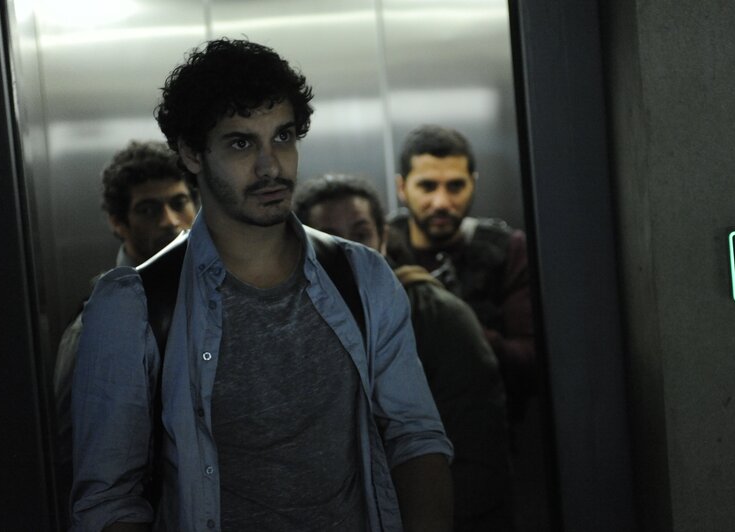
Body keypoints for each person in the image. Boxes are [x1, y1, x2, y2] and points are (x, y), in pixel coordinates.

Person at [70, 38, 453, 532]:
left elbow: (415, 437)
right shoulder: (132, 306)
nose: (271, 166)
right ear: (191, 153)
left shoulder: (362, 276)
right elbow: (109, 500)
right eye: (241, 143)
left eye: (283, 137)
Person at [295, 173, 515, 531]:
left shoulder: (438, 316)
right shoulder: (294, 322)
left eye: (360, 234)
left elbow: (476, 452)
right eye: (329, 240)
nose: (349, 252)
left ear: (382, 237)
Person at [52, 140, 197, 525]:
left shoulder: (203, 301)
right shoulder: (98, 324)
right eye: (148, 209)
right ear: (119, 223)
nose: (170, 220)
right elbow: (76, 459)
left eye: (179, 202)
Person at [387, 125, 536, 426]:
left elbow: (529, 359)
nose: (442, 202)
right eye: (427, 186)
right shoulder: (380, 248)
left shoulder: (505, 249)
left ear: (473, 184)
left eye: (455, 186)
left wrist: (462, 329)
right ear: (402, 188)